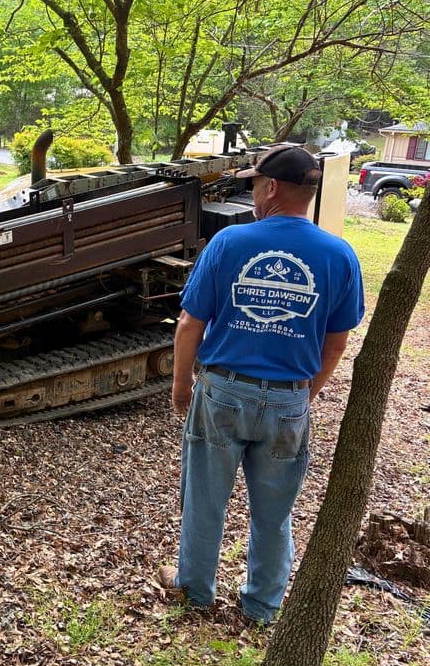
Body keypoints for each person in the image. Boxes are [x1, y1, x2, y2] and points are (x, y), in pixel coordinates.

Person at [156, 145, 365, 625]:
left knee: (205, 498)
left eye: (253, 184)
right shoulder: (339, 255)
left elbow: (189, 324)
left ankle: (194, 591)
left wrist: (181, 386)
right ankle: (262, 604)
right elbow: (337, 342)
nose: (252, 192)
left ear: (270, 188)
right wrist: (303, 394)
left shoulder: (229, 244)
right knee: (275, 511)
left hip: (224, 391)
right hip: (290, 398)